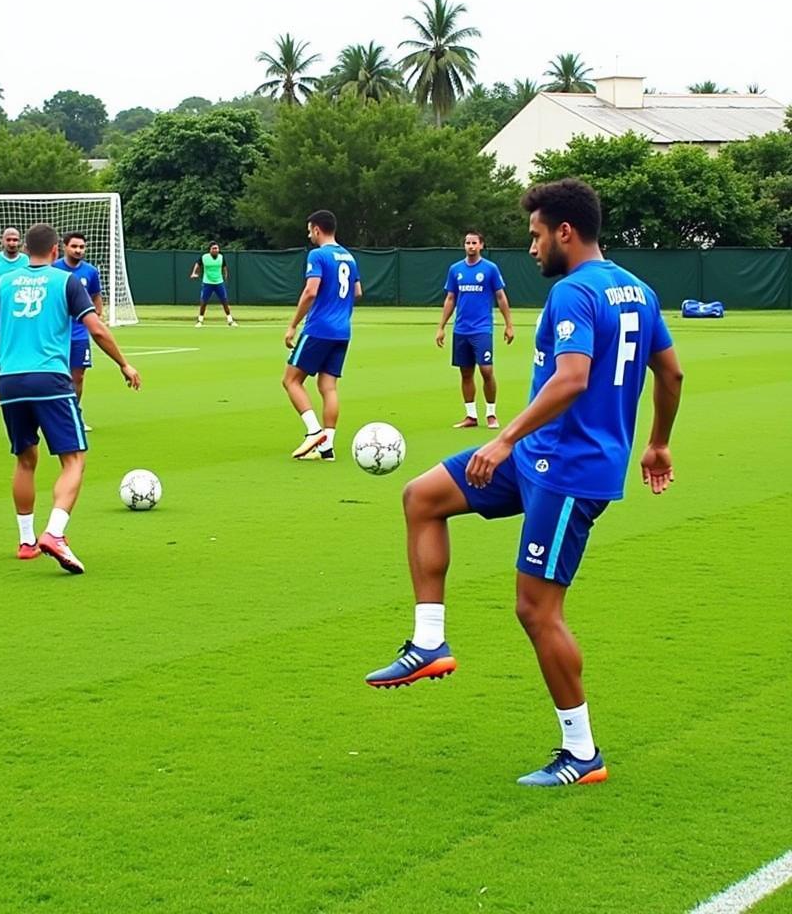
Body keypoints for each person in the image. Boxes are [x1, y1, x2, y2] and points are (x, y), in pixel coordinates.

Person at [365, 179, 684, 788]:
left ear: (565, 231)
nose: (531, 246)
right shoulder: (637, 290)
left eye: (535, 234)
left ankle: (582, 753)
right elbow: (671, 373)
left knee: (537, 611)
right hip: (541, 455)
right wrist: (658, 440)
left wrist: (502, 438)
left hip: (569, 472)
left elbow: (570, 380)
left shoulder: (573, 293)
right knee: (422, 496)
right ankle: (429, 642)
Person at [0, 223, 141, 574]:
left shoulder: (3, 282)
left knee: (25, 460)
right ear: (56, 251)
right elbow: (96, 328)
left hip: (9, 382)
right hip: (49, 378)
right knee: (74, 460)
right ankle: (54, 533)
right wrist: (124, 364)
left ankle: (25, 542)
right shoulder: (65, 281)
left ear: (24, 249)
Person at [283, 210, 361, 462]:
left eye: (309, 230)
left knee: (291, 380)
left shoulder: (317, 255)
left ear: (317, 229)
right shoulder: (349, 257)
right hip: (342, 331)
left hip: (319, 328)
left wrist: (293, 325)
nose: (309, 235)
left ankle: (314, 431)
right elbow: (357, 291)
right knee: (328, 387)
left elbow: (310, 291)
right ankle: (327, 447)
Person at [436, 230, 514, 429]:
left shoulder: (490, 269)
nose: (470, 246)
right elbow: (451, 299)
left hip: (482, 328)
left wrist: (509, 324)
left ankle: (491, 413)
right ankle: (471, 416)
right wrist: (441, 327)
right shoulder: (455, 270)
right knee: (466, 373)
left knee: (486, 370)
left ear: (481, 245)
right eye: (467, 243)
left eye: (474, 243)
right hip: (461, 329)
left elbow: (501, 297)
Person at [52, 232, 102, 432]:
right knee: (56, 375)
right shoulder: (54, 269)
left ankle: (74, 414)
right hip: (57, 333)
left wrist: (98, 315)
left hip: (80, 333)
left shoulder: (90, 271)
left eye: (82, 247)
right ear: (64, 247)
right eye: (74, 246)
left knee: (78, 376)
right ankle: (55, 415)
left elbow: (96, 296)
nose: (78, 250)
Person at [0, 227, 28, 401]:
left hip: (22, 316)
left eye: (15, 240)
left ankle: (21, 389)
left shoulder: (26, 260)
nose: (12, 243)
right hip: (0, 319)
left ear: (20, 241)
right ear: (2, 241)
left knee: (22, 351)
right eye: (9, 240)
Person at [191, 243, 236, 326]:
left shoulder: (221, 257)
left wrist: (226, 275)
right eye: (213, 248)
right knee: (203, 302)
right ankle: (200, 321)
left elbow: (224, 267)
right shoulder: (204, 257)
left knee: (224, 301)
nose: (216, 250)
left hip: (219, 283)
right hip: (207, 283)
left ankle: (230, 320)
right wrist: (194, 273)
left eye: (217, 248)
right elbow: (197, 264)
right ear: (210, 250)